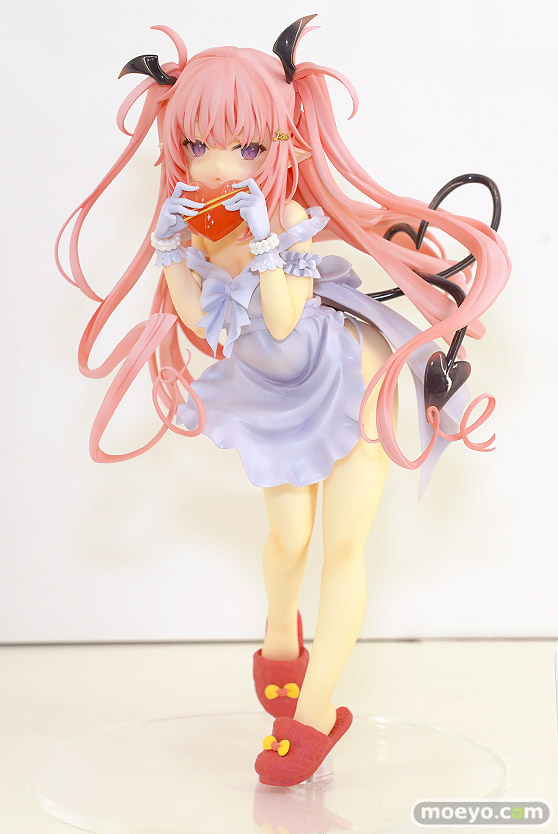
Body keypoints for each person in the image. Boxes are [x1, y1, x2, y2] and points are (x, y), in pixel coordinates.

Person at [56, 16, 510, 786]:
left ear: (282, 142)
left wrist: (268, 238)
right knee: (288, 539)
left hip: (349, 378)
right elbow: (201, 325)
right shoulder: (197, 225)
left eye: (247, 147)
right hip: (271, 388)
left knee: (342, 547)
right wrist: (172, 253)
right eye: (198, 144)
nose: (217, 163)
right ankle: (279, 637)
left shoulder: (287, 219)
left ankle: (317, 711)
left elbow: (279, 316)